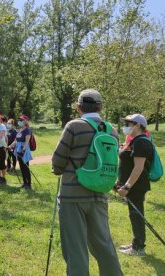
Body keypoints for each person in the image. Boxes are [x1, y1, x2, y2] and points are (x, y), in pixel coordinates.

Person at [52, 89, 123, 276]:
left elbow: (58, 160)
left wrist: (58, 169)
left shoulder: (73, 126)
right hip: (99, 194)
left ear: (78, 107)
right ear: (100, 107)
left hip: (72, 196)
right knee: (103, 244)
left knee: (76, 248)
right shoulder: (112, 130)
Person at [116, 114, 153, 256]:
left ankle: (138, 248)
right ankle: (136, 243)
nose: (125, 127)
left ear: (137, 125)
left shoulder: (141, 142)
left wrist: (127, 186)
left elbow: (138, 168)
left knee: (137, 215)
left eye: (128, 124)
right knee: (134, 215)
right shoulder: (135, 141)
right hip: (132, 185)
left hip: (136, 186)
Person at [9, 115, 33, 189]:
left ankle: (28, 184)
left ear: (25, 121)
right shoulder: (20, 130)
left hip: (24, 150)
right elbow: (16, 141)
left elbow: (26, 142)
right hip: (18, 150)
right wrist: (10, 146)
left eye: (21, 120)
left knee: (26, 167)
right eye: (19, 120)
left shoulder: (27, 130)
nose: (19, 121)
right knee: (21, 167)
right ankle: (24, 183)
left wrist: (23, 151)